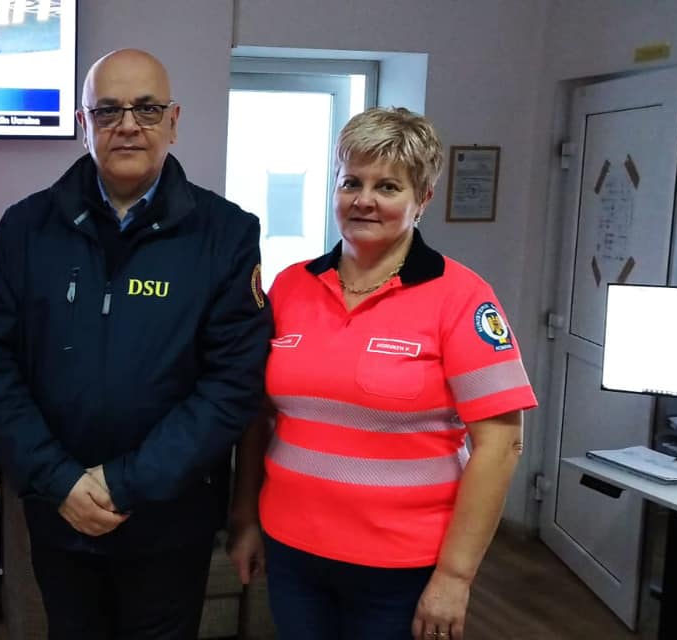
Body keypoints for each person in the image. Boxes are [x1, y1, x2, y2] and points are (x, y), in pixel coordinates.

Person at [0, 48, 272, 639]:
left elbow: (233, 383)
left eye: (147, 109)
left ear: (174, 121)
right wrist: (59, 480)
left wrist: (125, 482)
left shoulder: (228, 234)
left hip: (169, 524)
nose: (128, 125)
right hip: (59, 516)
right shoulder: (27, 227)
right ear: (85, 123)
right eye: (108, 111)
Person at [226, 107, 538, 640]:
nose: (364, 199)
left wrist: (455, 576)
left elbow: (501, 443)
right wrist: (245, 518)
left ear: (423, 199)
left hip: (402, 569)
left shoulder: (461, 297)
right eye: (351, 182)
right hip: (293, 553)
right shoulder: (290, 286)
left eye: (388, 186)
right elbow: (258, 416)